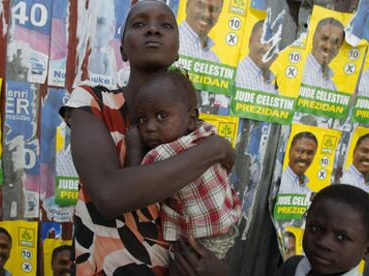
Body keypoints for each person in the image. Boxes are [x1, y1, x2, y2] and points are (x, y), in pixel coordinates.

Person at [60, 1, 234, 275]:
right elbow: (109, 195)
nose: (153, 30)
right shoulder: (94, 101)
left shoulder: (191, 127)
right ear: (123, 49)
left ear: (177, 50)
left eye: (165, 25)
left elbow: (216, 210)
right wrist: (214, 149)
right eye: (139, 24)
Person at [127, 71, 241, 258]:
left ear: (191, 119)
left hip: (200, 241)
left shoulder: (166, 152)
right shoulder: (206, 133)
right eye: (142, 120)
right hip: (225, 227)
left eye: (162, 116)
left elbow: (134, 190)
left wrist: (133, 145)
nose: (149, 127)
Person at [275, 184, 369, 276]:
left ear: (367, 250)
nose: (323, 243)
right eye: (316, 228)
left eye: (342, 237)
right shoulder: (292, 267)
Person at [301, 17, 344, 91]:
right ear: (313, 37)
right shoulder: (299, 70)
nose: (328, 46)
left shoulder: (332, 84)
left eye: (335, 42)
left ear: (339, 49)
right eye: (324, 38)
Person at [235, 20, 277, 94]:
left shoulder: (274, 79)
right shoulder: (236, 75)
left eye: (271, 43)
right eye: (262, 40)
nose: (267, 48)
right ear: (250, 41)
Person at [87, 0, 117, 77]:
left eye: (99, 22)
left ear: (111, 29)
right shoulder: (53, 72)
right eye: (85, 21)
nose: (91, 30)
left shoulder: (123, 81)